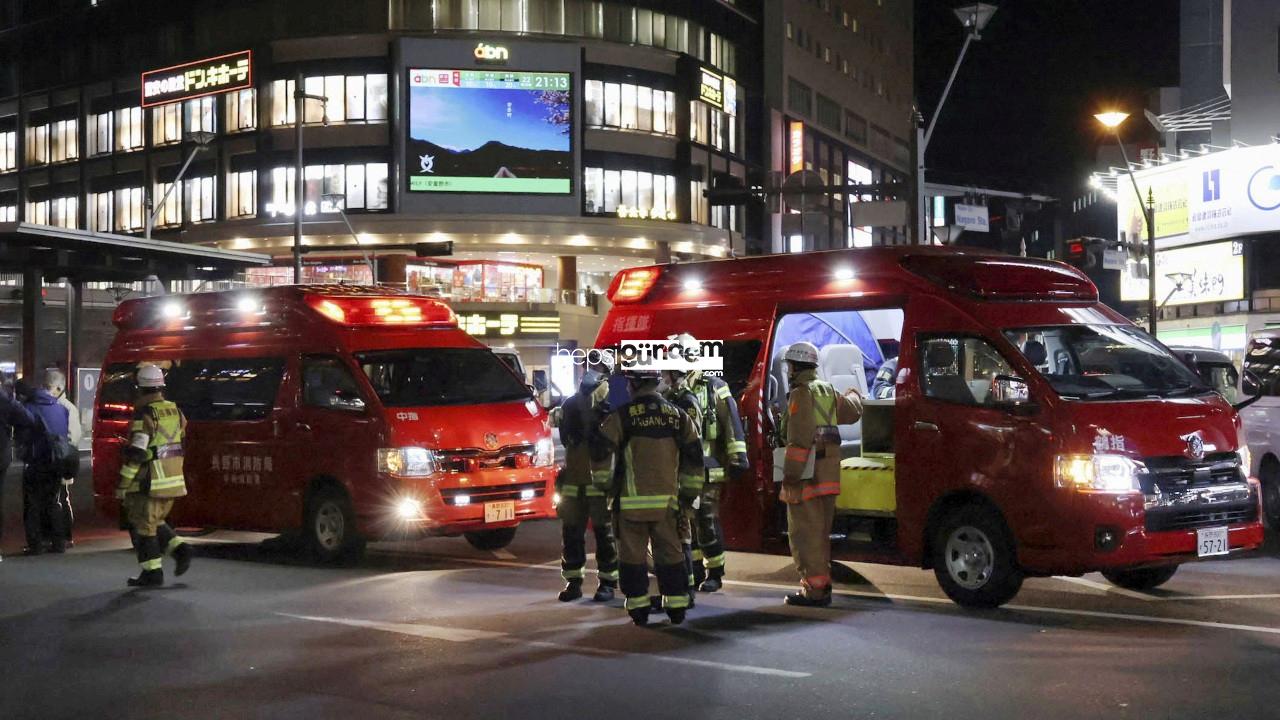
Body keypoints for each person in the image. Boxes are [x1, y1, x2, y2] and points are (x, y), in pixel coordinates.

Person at [591, 367, 704, 626]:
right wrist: (687, 497)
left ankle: (639, 610)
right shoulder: (679, 417)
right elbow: (695, 459)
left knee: (632, 559)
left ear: (634, 385)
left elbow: (601, 455)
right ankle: (676, 608)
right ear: (656, 383)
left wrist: (605, 487)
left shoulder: (621, 418)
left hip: (630, 507)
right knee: (672, 557)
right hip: (669, 506)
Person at [778, 341, 863, 607]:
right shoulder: (826, 389)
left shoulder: (801, 394)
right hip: (828, 476)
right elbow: (853, 411)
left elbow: (800, 441)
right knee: (820, 534)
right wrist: (853, 392)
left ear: (793, 367)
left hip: (807, 478)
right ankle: (820, 585)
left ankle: (814, 591)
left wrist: (789, 476)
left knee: (805, 535)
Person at [664, 337, 749, 593]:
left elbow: (731, 424)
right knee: (687, 522)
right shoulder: (671, 392)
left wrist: (737, 458)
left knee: (707, 521)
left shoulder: (714, 387)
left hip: (709, 468)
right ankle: (697, 568)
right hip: (680, 469)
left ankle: (715, 572)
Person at [116, 364, 192, 587]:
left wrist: (123, 484)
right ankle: (181, 550)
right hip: (173, 478)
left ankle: (152, 573)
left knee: (143, 527)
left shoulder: (144, 414)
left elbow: (138, 454)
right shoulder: (176, 411)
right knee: (155, 521)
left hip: (149, 481)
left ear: (139, 388)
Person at [551, 367, 619, 602]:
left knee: (600, 535)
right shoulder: (583, 406)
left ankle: (604, 582)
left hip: (592, 483)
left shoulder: (605, 410)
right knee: (581, 535)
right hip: (581, 482)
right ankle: (582, 582)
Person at [2, 379, 70, 555]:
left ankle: (36, 545)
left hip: (37, 460)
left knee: (33, 503)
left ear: (21, 395)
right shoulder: (58, 406)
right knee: (53, 502)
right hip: (57, 460)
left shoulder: (29, 409)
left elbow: (24, 435)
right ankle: (58, 543)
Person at [44, 369, 80, 547]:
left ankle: (65, 536)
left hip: (62, 460)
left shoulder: (67, 408)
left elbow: (73, 437)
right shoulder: (57, 406)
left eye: (48, 387)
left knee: (62, 498)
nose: (46, 390)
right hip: (57, 460)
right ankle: (58, 535)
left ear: (59, 388)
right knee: (57, 498)